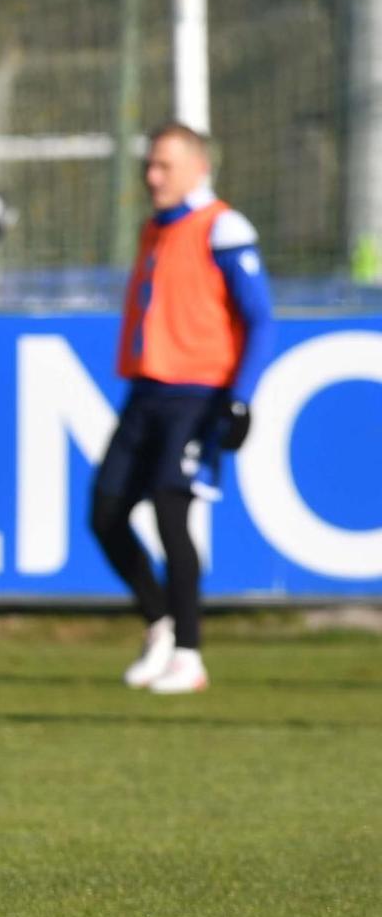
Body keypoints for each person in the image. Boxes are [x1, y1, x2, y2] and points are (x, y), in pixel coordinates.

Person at [92, 122, 273, 694]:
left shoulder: (222, 227)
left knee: (173, 514)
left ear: (198, 167)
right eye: (149, 165)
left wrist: (239, 399)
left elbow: (260, 317)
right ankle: (160, 624)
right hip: (146, 391)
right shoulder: (155, 229)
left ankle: (190, 656)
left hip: (196, 396)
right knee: (105, 513)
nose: (152, 177)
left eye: (164, 166)